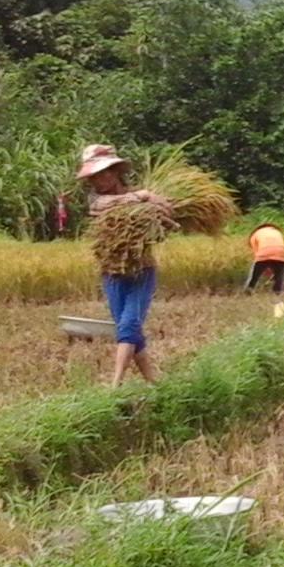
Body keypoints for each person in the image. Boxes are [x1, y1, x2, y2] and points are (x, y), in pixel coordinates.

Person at [79, 144, 171, 387]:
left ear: (116, 171)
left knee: (129, 325)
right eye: (93, 177)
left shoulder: (144, 199)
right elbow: (104, 207)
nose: (98, 181)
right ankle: (154, 383)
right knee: (127, 330)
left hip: (141, 271)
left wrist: (161, 211)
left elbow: (164, 222)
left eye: (104, 173)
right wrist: (141, 197)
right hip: (112, 272)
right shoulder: (98, 200)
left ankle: (115, 386)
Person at [245, 221, 284, 296]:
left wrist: (266, 269)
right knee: (280, 275)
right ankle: (277, 292)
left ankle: (249, 290)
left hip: (263, 253)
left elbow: (257, 254)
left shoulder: (255, 234)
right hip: (281, 253)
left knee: (254, 276)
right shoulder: (277, 232)